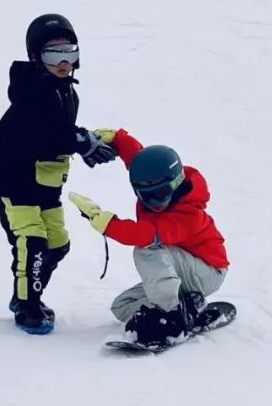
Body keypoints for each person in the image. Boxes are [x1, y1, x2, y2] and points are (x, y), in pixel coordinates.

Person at [0, 14, 116, 335]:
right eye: (52, 55)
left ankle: (27, 295)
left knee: (56, 244)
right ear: (35, 58)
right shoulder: (31, 90)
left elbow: (60, 132)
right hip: (15, 180)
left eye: (69, 53)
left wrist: (87, 140)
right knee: (32, 241)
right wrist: (80, 142)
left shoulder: (65, 91)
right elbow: (40, 133)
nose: (63, 62)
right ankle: (27, 305)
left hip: (46, 182)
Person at [68, 129, 229, 346]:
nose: (153, 203)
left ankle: (171, 317)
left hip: (208, 270)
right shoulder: (156, 180)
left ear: (175, 184)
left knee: (148, 247)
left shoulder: (189, 213)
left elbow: (144, 234)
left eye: (160, 195)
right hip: (183, 267)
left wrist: (107, 223)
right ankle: (189, 309)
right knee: (122, 306)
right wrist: (117, 139)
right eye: (145, 196)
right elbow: (138, 158)